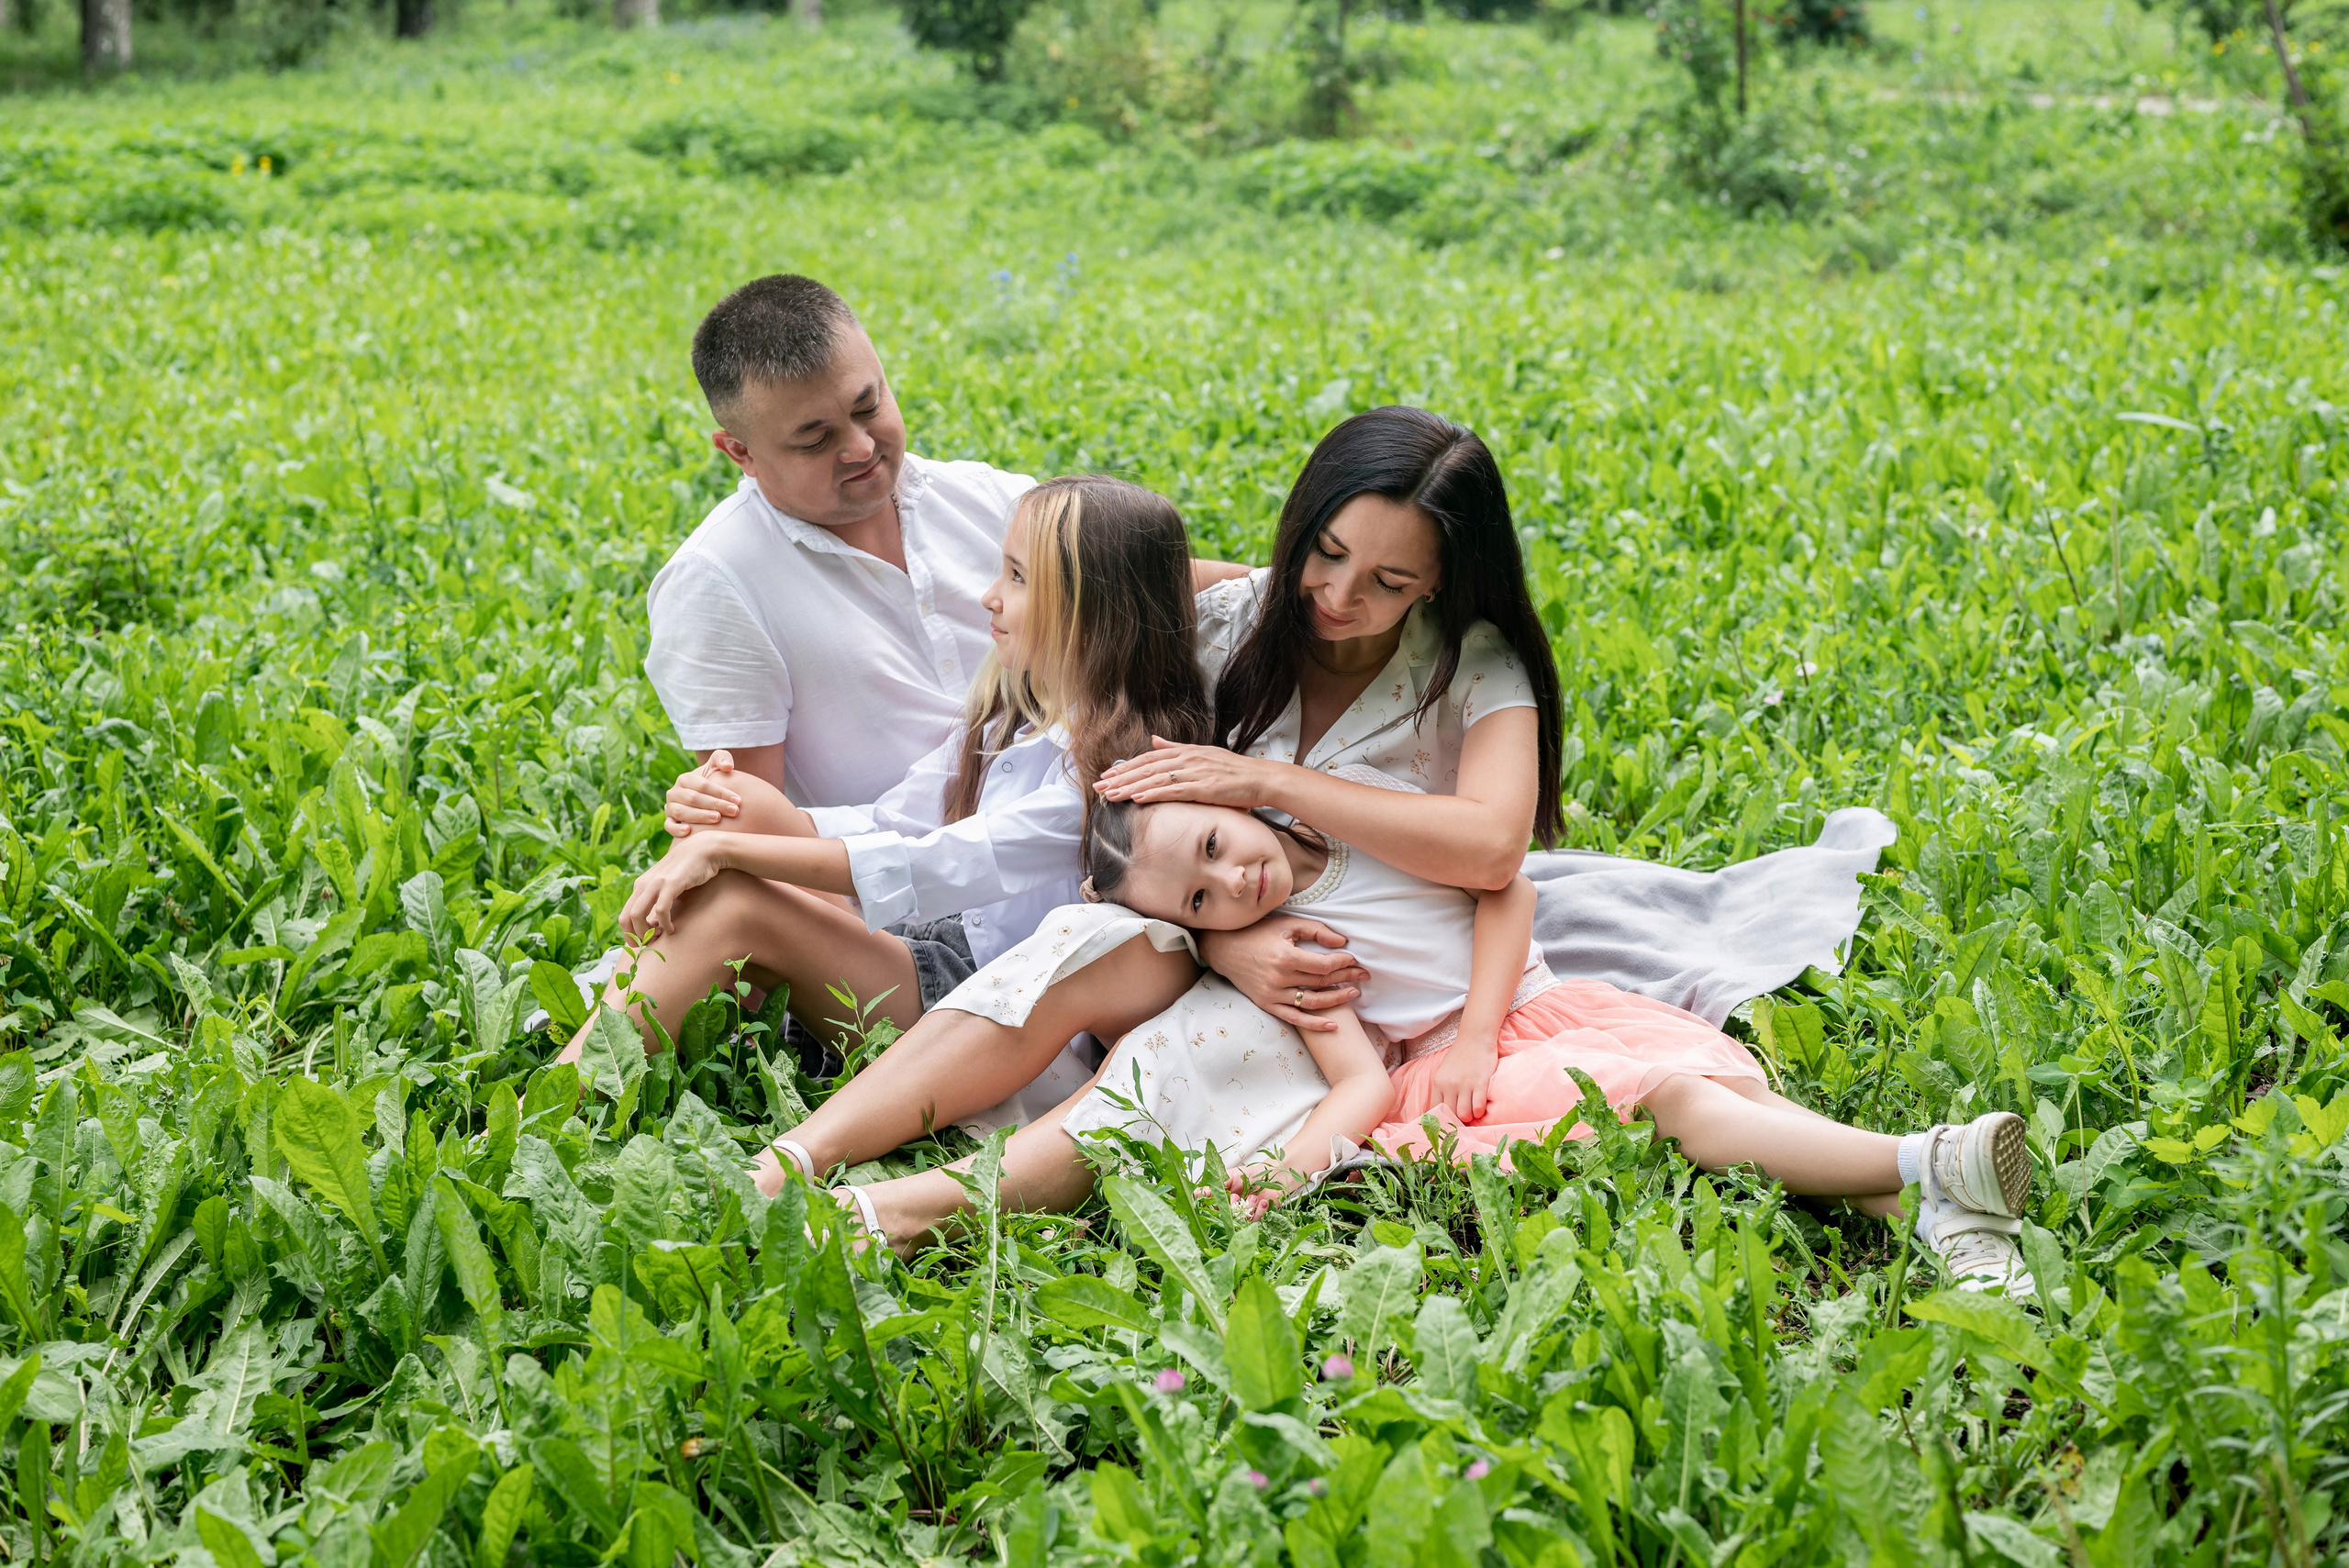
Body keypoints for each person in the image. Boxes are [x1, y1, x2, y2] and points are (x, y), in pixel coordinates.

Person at [751, 406, 1563, 1192]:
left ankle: (906, 1209)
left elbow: (1495, 849)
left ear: (1440, 584)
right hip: (1206, 923)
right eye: (1325, 550)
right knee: (1084, 936)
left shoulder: (1471, 665)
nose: (1338, 595)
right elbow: (1105, 582)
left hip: (1346, 989)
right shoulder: (1235, 618)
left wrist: (1266, 781)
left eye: (1388, 580)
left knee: (1172, 1062)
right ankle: (797, 1155)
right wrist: (1224, 945)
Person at [829, 790, 2037, 1294]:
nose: (1229, 881)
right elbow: (1355, 1072)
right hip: (1464, 1071)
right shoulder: (1292, 945)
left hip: (1534, 1021)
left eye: (1215, 846)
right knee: (1678, 1103)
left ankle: (1926, 1189)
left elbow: (1503, 885)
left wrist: (1470, 1029)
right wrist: (1300, 1160)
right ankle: (1926, 1176)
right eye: (1198, 903)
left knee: (1698, 1095)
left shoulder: (1362, 837)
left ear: (1236, 799)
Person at [564, 476, 1210, 1115]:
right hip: (931, 945)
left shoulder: (1119, 774)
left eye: (1017, 577)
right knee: (738, 800)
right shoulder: (1018, 714)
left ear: (1090, 607)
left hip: (991, 1007)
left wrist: (732, 854)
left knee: (735, 901)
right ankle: (653, 1007)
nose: (990, 596)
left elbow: (936, 864)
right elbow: (887, 820)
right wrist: (727, 824)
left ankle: (560, 1100)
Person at [643, 272, 1244, 817]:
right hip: (901, 891)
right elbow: (753, 822)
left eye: (868, 405)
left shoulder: (981, 497)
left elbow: (1154, 582)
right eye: (815, 439)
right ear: (739, 452)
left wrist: (1310, 588)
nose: (859, 447)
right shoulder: (717, 582)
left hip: (1099, 827)